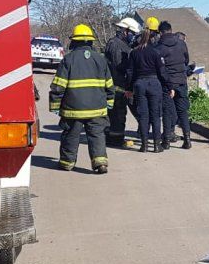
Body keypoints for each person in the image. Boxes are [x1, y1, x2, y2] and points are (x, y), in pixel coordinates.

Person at [49, 24, 114, 174]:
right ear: (90, 41)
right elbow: (109, 85)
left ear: (75, 41)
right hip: (97, 108)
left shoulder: (68, 59)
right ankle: (100, 163)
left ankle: (67, 163)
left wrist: (55, 106)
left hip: (73, 110)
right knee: (97, 135)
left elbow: (58, 86)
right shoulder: (100, 59)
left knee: (70, 136)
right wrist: (109, 103)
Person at [126, 27, 167, 153]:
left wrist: (129, 88)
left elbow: (130, 72)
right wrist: (168, 86)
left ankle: (143, 145)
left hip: (139, 84)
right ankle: (156, 145)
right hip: (154, 83)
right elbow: (162, 72)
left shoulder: (134, 53)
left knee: (143, 115)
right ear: (152, 38)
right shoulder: (156, 52)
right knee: (155, 115)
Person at [104, 17, 141, 147]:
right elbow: (118, 65)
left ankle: (113, 137)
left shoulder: (123, 45)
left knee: (116, 114)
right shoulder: (115, 44)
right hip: (116, 86)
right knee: (117, 114)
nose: (134, 36)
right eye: (133, 33)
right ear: (125, 31)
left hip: (120, 85)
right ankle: (115, 139)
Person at [157, 21, 192, 150]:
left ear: (160, 32)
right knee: (183, 111)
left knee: (167, 112)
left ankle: (166, 141)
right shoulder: (182, 43)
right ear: (171, 30)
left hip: (167, 83)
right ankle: (187, 140)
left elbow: (160, 68)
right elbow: (186, 60)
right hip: (182, 81)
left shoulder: (159, 47)